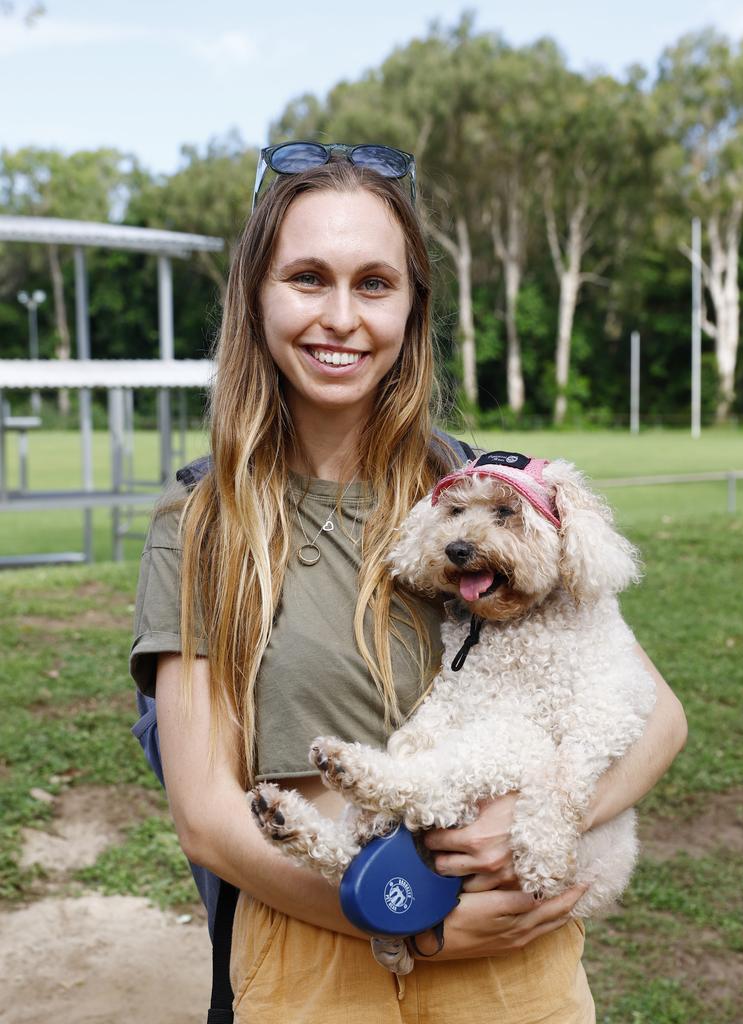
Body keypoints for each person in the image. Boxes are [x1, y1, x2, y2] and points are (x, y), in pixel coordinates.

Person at [129, 143, 687, 1024]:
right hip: (319, 944)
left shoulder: (483, 494)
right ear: (256, 296)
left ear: (412, 308)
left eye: (375, 284)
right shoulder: (205, 522)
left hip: (513, 950)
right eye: (308, 277)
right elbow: (205, 814)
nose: (341, 317)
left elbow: (659, 718)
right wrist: (404, 924)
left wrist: (547, 821)